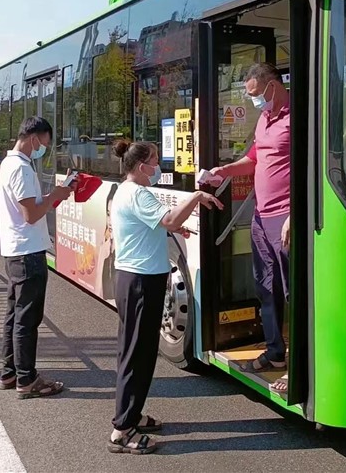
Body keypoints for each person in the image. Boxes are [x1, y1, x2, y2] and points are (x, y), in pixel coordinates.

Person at [108, 139, 223, 455]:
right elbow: (169, 219)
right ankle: (122, 430)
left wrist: (173, 229)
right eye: (155, 160)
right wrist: (196, 196)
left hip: (135, 279)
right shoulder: (138, 193)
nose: (159, 166)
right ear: (141, 166)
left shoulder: (126, 190)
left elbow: (158, 225)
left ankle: (132, 415)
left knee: (138, 351)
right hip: (141, 282)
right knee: (137, 354)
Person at [210, 62, 291, 394]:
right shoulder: (264, 119)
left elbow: (312, 167)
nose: (255, 100)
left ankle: (304, 363)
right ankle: (275, 353)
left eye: (257, 94)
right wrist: (224, 171)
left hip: (286, 218)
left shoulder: (298, 117)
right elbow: (254, 159)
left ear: (273, 85)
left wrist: (296, 214)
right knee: (266, 287)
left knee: (295, 291)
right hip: (261, 216)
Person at [0, 116, 74, 398]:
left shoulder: (9, 164)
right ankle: (27, 379)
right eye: (45, 143)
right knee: (27, 319)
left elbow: (28, 206)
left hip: (16, 251)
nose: (45, 148)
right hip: (27, 253)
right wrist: (55, 195)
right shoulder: (21, 168)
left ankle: (10, 372)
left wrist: (54, 195)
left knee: (14, 315)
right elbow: (30, 215)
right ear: (33, 139)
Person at [94, 183, 118, 301]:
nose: (110, 221)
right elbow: (98, 291)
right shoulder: (105, 246)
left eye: (115, 215)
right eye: (108, 214)